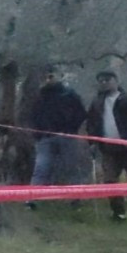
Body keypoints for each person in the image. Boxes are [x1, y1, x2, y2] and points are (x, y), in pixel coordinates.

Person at [87, 71, 127, 222]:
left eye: (107, 80)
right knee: (109, 181)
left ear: (116, 81)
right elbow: (92, 124)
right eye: (101, 80)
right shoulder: (96, 102)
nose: (104, 83)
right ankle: (118, 213)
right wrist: (92, 143)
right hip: (108, 149)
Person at [25, 67, 88, 208]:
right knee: (41, 168)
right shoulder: (39, 96)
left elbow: (81, 114)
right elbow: (33, 117)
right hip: (45, 139)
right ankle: (31, 200)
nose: (48, 80)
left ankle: (76, 199)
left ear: (59, 77)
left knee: (71, 167)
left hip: (67, 137)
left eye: (51, 76)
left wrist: (71, 129)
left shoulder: (70, 94)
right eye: (45, 77)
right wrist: (38, 134)